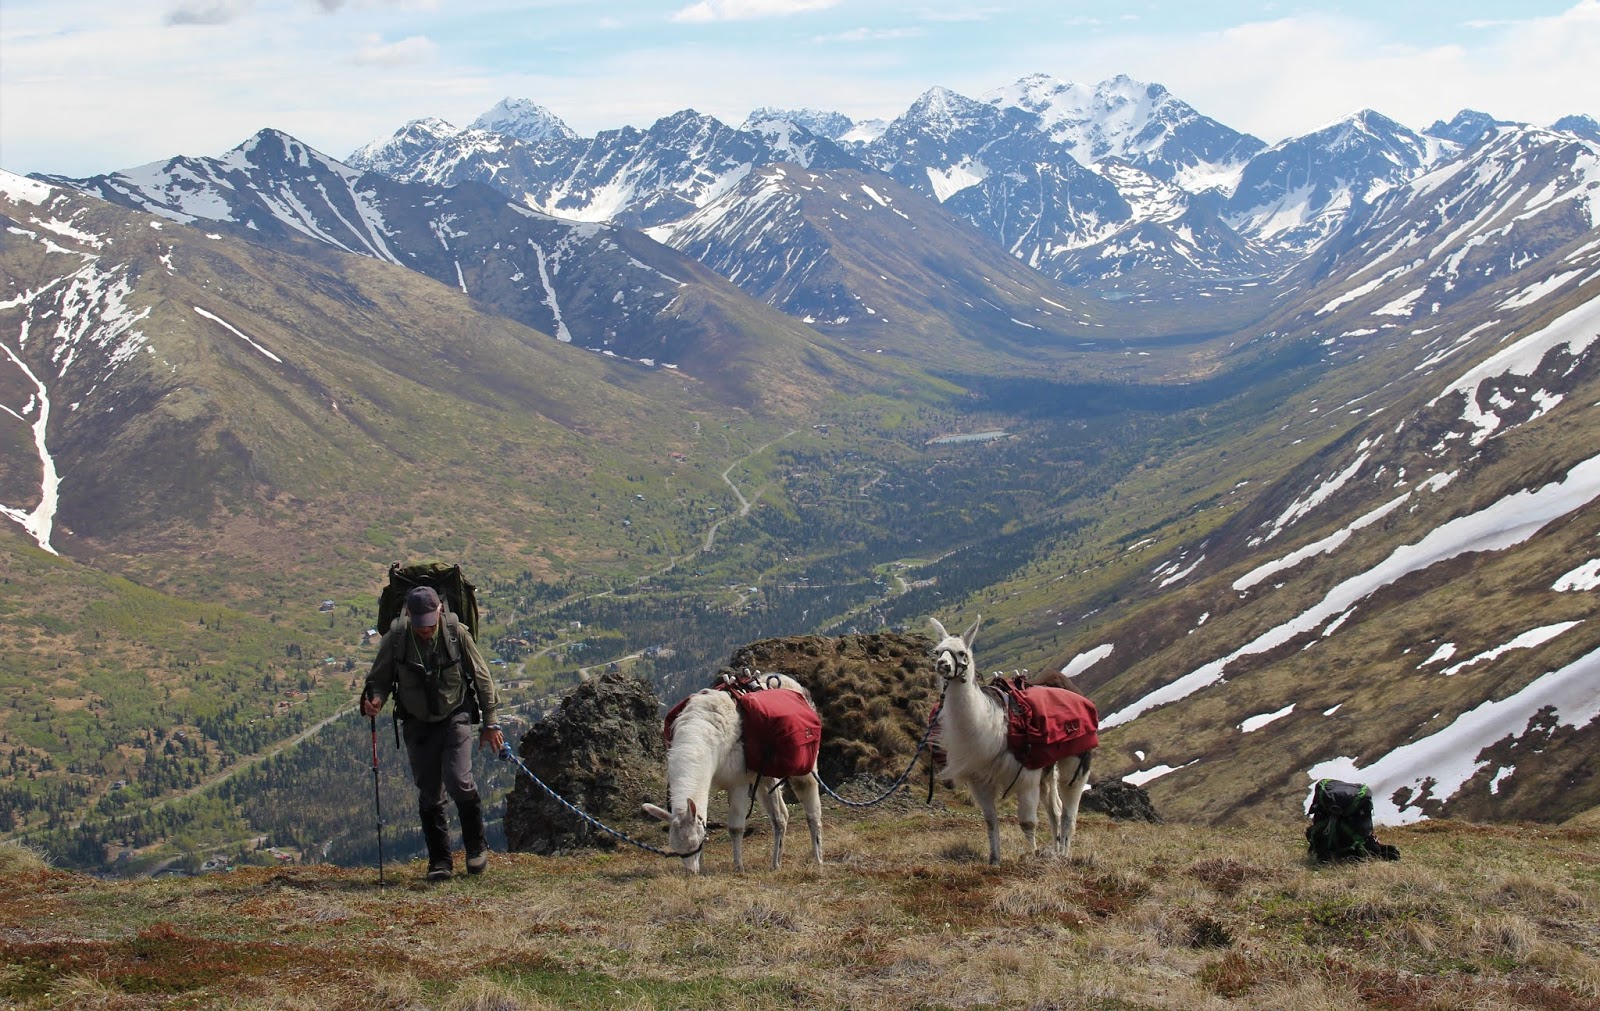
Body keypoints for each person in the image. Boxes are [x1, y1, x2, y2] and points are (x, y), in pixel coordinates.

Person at [360, 585, 505, 881]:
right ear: (410, 616)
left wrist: (490, 723)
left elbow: (482, 677)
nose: (426, 630)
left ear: (439, 611)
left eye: (430, 623)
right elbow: (379, 679)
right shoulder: (397, 638)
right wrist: (374, 700)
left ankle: (476, 849)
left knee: (459, 780)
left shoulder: (455, 633)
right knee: (429, 791)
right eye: (420, 624)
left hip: (455, 715)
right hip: (417, 722)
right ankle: (440, 861)